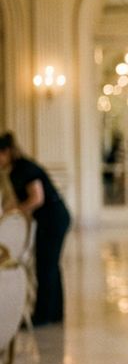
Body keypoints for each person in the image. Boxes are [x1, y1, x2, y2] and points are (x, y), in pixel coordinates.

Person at [0, 131, 72, 326]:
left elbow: (36, 198)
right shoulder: (17, 170)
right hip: (52, 218)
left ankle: (42, 316)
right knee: (51, 265)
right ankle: (55, 313)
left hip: (53, 218)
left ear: (6, 152)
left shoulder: (24, 168)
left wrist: (15, 211)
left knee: (46, 265)